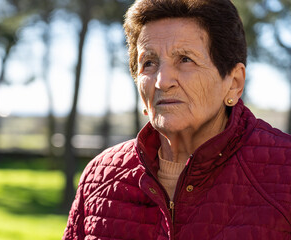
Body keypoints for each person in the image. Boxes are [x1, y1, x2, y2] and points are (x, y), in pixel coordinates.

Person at [63, 0, 291, 239]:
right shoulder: (100, 176)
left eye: (185, 59)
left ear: (233, 83)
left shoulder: (285, 172)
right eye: (148, 63)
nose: (162, 81)